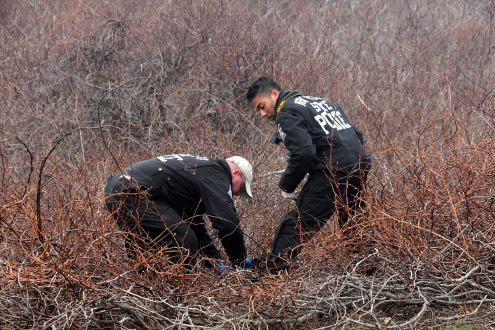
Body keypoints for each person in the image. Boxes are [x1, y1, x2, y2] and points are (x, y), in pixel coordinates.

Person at [247, 77, 371, 274]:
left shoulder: (286, 111)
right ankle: (368, 269)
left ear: (274, 94)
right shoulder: (322, 102)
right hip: (360, 162)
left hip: (335, 169)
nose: (262, 114)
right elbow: (356, 134)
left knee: (298, 223)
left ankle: (271, 275)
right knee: (353, 219)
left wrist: (287, 186)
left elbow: (304, 152)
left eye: (262, 106)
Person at [104, 154, 253, 272]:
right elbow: (227, 222)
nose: (236, 194)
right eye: (240, 189)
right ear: (236, 173)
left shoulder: (203, 169)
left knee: (143, 252)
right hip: (132, 191)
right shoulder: (216, 174)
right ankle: (184, 298)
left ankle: (143, 295)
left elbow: (193, 223)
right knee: (184, 240)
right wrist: (239, 259)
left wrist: (214, 262)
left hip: (119, 190)